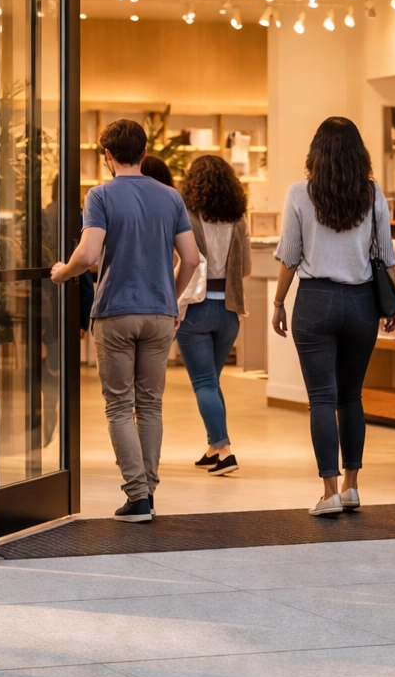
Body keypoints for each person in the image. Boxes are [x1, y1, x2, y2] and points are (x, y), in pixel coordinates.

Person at [50, 118, 200, 522]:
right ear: (145, 153)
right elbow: (191, 258)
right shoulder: (170, 197)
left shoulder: (100, 195)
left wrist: (62, 273)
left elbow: (87, 255)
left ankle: (137, 497)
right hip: (160, 314)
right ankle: (147, 491)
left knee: (119, 406)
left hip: (115, 311)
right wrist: (170, 298)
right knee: (150, 405)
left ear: (107, 156)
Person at [272, 116, 395, 516]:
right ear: (359, 154)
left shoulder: (299, 193)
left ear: (317, 152)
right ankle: (352, 486)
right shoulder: (373, 195)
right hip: (362, 304)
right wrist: (391, 305)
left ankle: (329, 492)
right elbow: (386, 255)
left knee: (322, 399)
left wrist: (278, 302)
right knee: (351, 397)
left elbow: (290, 256)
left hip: (315, 301)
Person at [177, 154, 253, 476]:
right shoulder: (239, 220)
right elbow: (246, 268)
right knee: (211, 379)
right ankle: (212, 448)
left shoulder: (187, 216)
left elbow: (181, 262)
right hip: (230, 311)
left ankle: (225, 450)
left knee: (204, 382)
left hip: (196, 308)